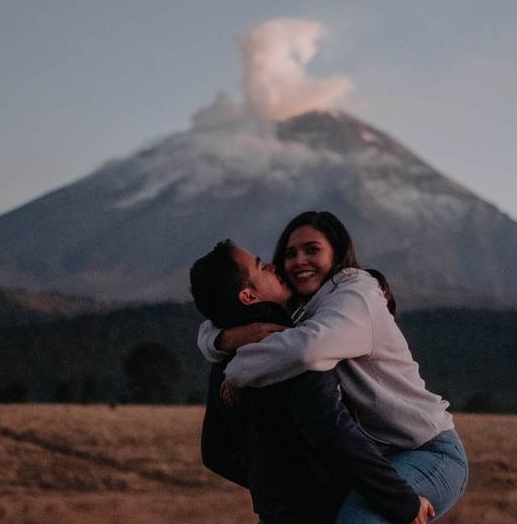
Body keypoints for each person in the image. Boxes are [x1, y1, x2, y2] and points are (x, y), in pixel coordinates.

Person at [198, 212, 468, 524]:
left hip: (427, 450)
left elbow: (308, 351)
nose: (299, 260)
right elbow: (216, 320)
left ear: (337, 253)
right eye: (290, 253)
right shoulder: (300, 310)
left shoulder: (355, 294)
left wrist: (237, 367)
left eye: (312, 250)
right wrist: (221, 339)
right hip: (378, 461)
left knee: (357, 520)